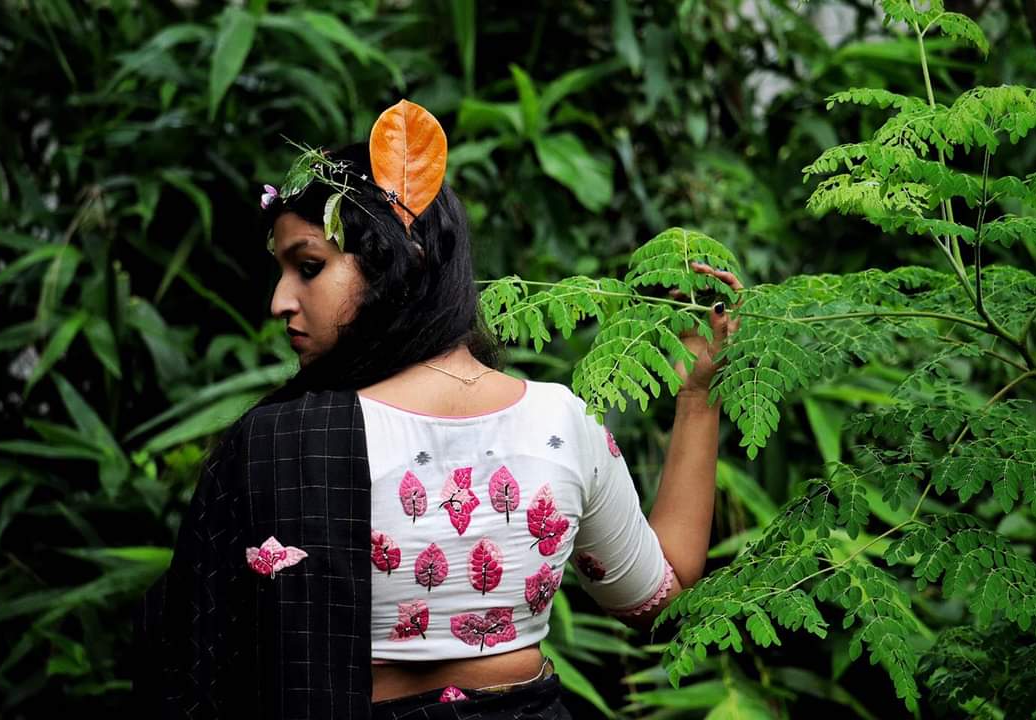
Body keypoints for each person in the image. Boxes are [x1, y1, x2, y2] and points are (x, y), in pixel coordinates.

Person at [133, 100, 742, 719]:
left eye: (309, 267)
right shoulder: (562, 422)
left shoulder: (279, 441)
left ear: (403, 262)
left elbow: (190, 666)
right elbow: (661, 599)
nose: (280, 301)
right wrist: (699, 398)